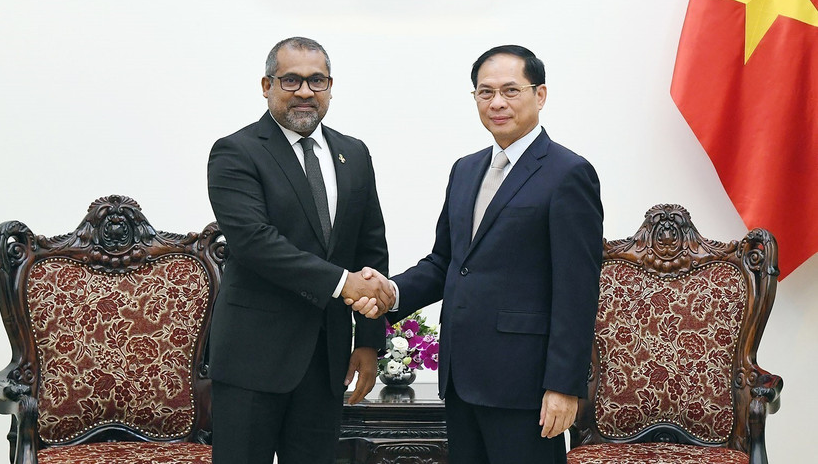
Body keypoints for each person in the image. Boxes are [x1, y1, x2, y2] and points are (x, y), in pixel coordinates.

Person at [355, 45, 603, 463]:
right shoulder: (466, 169)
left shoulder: (568, 173)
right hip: (462, 377)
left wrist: (564, 385)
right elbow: (446, 263)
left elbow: (577, 291)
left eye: (510, 90)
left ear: (540, 95)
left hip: (525, 387)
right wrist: (391, 293)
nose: (497, 103)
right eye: (485, 92)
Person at [207, 36, 394, 464]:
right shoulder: (236, 152)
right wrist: (341, 283)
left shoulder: (354, 153)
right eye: (291, 80)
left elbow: (371, 247)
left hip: (326, 359)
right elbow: (255, 242)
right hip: (253, 358)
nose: (305, 92)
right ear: (266, 84)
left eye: (316, 80)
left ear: (330, 86)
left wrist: (368, 341)